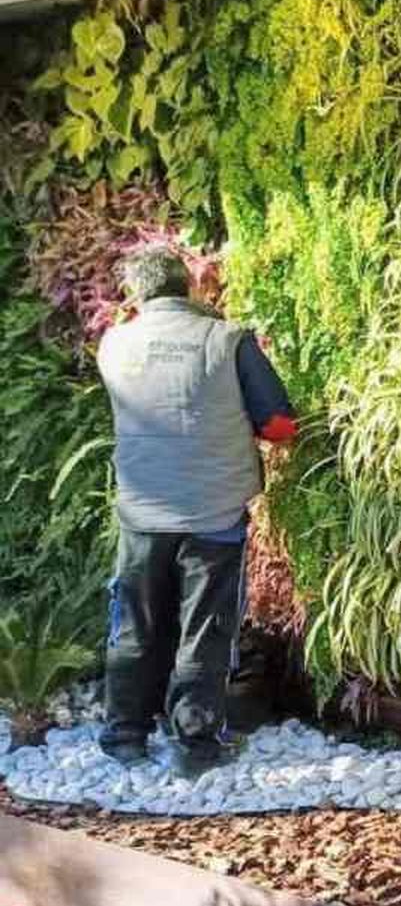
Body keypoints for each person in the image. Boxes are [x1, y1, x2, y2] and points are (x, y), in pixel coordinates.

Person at [96, 246, 297, 773]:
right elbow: (279, 424)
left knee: (135, 623)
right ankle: (194, 746)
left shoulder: (113, 344)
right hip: (213, 515)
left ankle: (125, 736)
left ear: (136, 294)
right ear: (190, 286)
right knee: (205, 628)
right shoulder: (227, 340)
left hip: (140, 513)